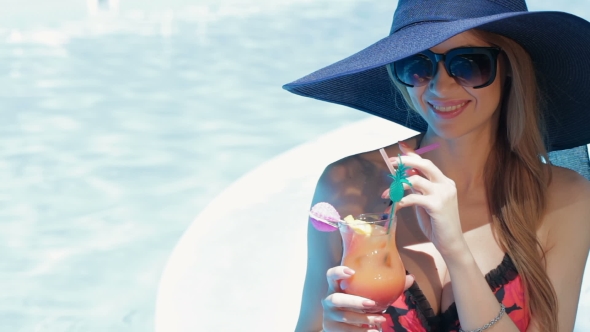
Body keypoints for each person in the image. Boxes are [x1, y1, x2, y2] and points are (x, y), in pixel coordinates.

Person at [283, 0, 590, 331]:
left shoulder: (565, 199)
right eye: (418, 66)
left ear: (510, 66)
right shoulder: (347, 184)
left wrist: (456, 252)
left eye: (469, 64)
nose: (441, 87)